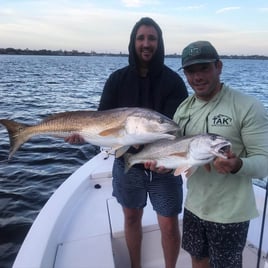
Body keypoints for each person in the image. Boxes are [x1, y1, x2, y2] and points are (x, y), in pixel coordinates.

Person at [67, 17, 188, 268]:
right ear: (133, 42)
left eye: (151, 38)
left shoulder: (174, 83)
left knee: (168, 223)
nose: (146, 44)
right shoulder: (116, 80)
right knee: (131, 217)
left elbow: (175, 128)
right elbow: (100, 122)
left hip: (164, 164)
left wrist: (168, 158)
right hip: (126, 163)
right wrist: (82, 136)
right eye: (141, 38)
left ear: (159, 42)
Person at [146, 40, 268, 268]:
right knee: (198, 261)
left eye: (204, 68)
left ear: (219, 66)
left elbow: (265, 163)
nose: (197, 77)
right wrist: (164, 164)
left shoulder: (247, 106)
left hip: (230, 214)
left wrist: (238, 164)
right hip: (194, 206)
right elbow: (177, 153)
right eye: (191, 71)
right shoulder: (183, 109)